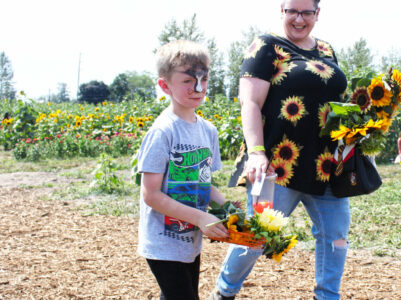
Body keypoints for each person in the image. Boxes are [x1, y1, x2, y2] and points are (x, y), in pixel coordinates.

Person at [211, 1, 350, 299]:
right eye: (292, 11)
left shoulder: (326, 50)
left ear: (317, 14)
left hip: (326, 165)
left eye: (306, 12)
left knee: (335, 238)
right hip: (277, 167)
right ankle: (224, 292)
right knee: (257, 239)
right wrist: (257, 152)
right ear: (282, 11)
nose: (299, 19)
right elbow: (250, 103)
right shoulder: (266, 47)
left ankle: (326, 296)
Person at [137, 40, 230, 300]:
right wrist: (200, 218)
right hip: (163, 241)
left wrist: (228, 207)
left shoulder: (208, 131)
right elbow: (151, 194)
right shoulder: (162, 132)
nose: (198, 87)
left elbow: (203, 183)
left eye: (204, 79)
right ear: (165, 85)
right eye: (188, 80)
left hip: (189, 239)